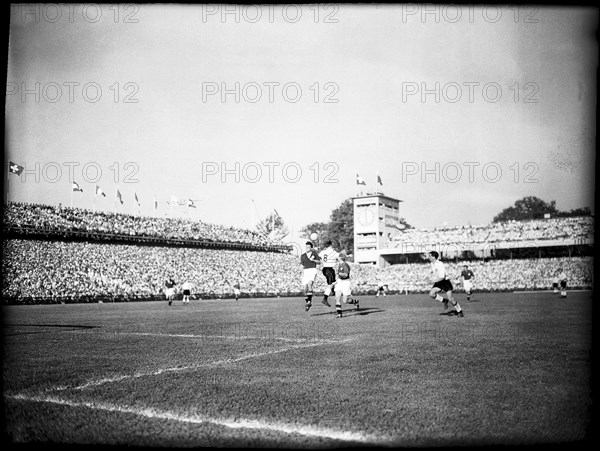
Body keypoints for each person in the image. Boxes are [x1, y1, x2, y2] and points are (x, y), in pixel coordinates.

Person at [428, 251, 463, 317]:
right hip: (439, 282)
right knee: (431, 294)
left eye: (430, 256)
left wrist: (433, 281)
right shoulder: (432, 264)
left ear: (434, 257)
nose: (428, 257)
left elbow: (442, 277)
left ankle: (459, 311)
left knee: (451, 299)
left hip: (445, 282)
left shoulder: (440, 264)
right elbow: (435, 273)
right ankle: (444, 301)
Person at [333, 251, 358, 318]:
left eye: (338, 257)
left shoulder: (345, 265)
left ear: (340, 258)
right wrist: (336, 281)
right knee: (337, 297)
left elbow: (346, 275)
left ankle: (355, 301)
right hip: (339, 282)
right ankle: (339, 313)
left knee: (345, 301)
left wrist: (339, 274)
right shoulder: (339, 264)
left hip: (346, 282)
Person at [318, 240, 339, 307]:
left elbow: (319, 258)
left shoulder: (322, 252)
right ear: (330, 245)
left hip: (324, 269)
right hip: (329, 269)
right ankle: (325, 299)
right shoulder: (333, 252)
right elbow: (340, 257)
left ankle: (333, 292)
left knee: (332, 283)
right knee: (331, 284)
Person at [300, 241, 320, 311]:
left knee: (310, 284)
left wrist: (313, 260)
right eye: (306, 247)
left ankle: (309, 301)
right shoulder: (303, 256)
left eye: (308, 247)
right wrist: (302, 271)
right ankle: (308, 302)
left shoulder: (314, 253)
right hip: (305, 271)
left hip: (312, 270)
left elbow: (319, 261)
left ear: (311, 248)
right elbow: (301, 265)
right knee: (305, 289)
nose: (307, 248)